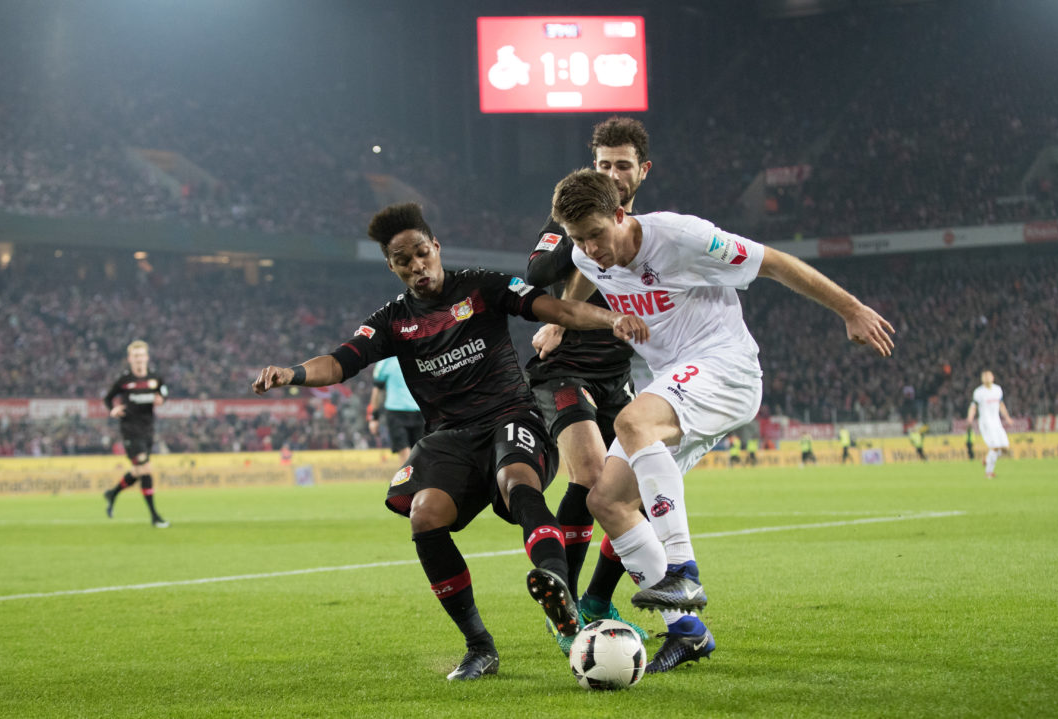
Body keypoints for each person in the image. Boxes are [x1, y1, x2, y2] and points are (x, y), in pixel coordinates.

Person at [252, 202, 649, 681]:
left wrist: (612, 320)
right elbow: (340, 362)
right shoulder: (393, 320)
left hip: (510, 415)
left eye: (422, 253)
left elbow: (557, 307)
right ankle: (479, 646)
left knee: (515, 479)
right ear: (392, 267)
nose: (417, 267)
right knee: (425, 515)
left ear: (436, 247)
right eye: (404, 261)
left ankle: (557, 590)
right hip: (451, 437)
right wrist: (290, 374)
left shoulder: (482, 286)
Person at [550, 169, 894, 672]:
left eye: (597, 234)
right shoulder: (584, 254)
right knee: (608, 499)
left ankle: (683, 569)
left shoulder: (681, 237)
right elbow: (582, 275)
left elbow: (773, 263)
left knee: (631, 422)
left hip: (724, 367)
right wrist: (559, 322)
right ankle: (687, 632)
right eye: (579, 238)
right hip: (677, 381)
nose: (590, 248)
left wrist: (851, 308)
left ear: (622, 214)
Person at [525, 116, 652, 636]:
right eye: (603, 164)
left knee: (637, 487)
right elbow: (536, 274)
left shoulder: (649, 230)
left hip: (615, 370)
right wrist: (572, 237)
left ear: (642, 171)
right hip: (564, 367)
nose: (613, 174)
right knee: (593, 474)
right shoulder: (569, 217)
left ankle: (598, 599)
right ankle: (567, 612)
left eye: (622, 165)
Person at [102, 340, 170, 528]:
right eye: (136, 356)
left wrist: (161, 399)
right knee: (146, 469)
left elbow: (164, 393)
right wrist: (113, 409)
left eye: (142, 355)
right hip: (130, 430)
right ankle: (155, 517)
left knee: (138, 471)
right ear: (130, 359)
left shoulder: (155, 378)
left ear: (147, 357)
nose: (139, 359)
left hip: (148, 430)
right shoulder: (125, 380)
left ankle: (113, 493)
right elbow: (108, 398)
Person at [367, 356, 423, 463]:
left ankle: (417, 479)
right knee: (405, 452)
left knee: (420, 454)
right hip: (396, 413)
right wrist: (374, 417)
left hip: (418, 412)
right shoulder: (384, 362)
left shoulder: (417, 355)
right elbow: (377, 390)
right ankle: (408, 479)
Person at [967, 370, 1012, 478]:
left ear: (993, 377)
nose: (987, 378)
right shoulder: (978, 392)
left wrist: (1007, 418)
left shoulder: (998, 390)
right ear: (982, 379)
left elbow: (1001, 405)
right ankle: (988, 472)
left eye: (988, 376)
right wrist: (970, 418)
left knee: (1005, 448)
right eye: (984, 376)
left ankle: (987, 459)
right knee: (995, 447)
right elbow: (973, 406)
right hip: (986, 423)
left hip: (997, 423)